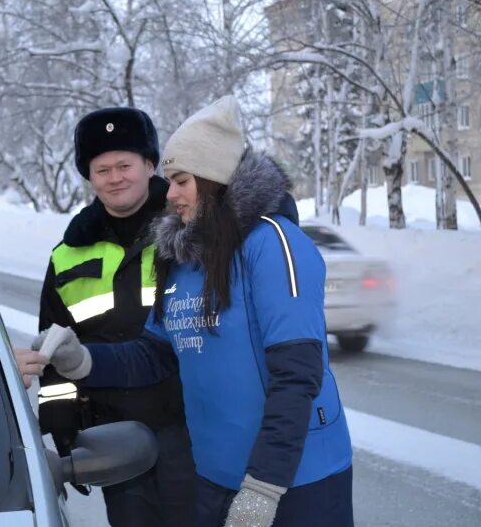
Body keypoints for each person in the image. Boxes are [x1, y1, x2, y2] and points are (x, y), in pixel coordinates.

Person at [21, 96, 354, 527]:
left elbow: (296, 376)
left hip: (297, 480)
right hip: (214, 475)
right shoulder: (183, 256)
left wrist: (265, 486)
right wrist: (81, 360)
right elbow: (154, 353)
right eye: (170, 180)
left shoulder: (273, 243)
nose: (170, 193)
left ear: (214, 178)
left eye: (180, 180)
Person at [17, 106, 197, 526]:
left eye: (124, 165)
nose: (115, 178)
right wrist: (63, 426)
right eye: (102, 169)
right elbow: (54, 346)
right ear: (89, 176)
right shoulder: (68, 254)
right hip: (114, 428)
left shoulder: (186, 229)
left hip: (189, 423)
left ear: (150, 165)